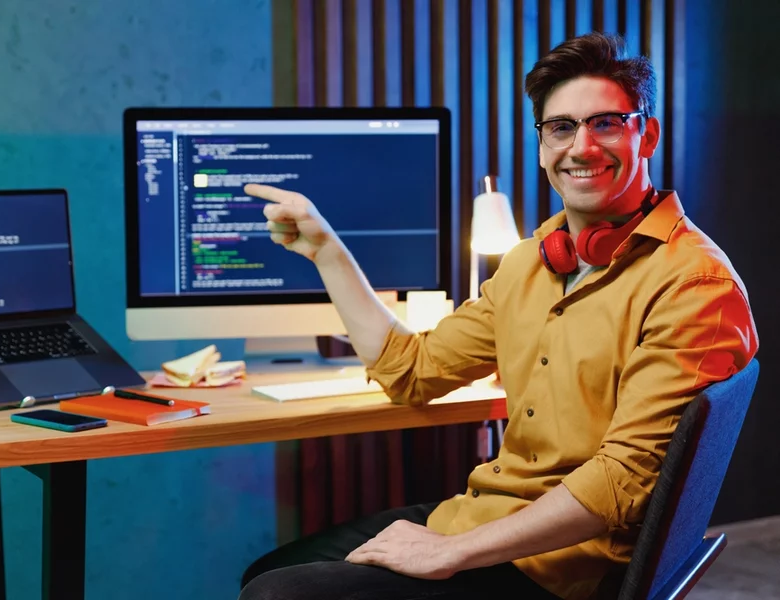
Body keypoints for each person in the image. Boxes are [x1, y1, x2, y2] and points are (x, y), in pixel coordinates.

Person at [237, 32, 758, 600]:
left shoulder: (694, 284)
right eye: (561, 127)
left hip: (565, 566)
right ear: (542, 145)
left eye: (605, 123)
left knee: (278, 596)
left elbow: (621, 482)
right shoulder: (530, 263)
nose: (581, 147)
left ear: (646, 135)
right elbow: (410, 371)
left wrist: (449, 552)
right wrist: (326, 251)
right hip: (486, 517)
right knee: (265, 574)